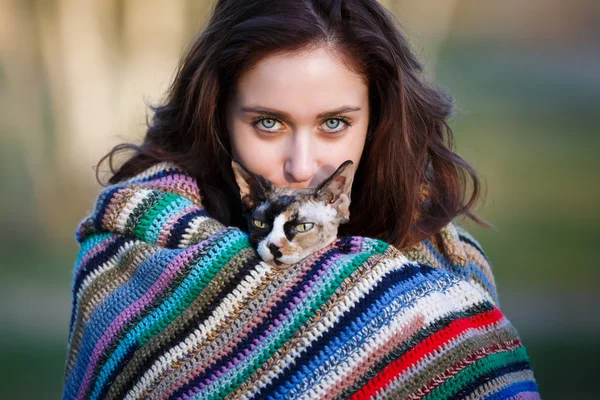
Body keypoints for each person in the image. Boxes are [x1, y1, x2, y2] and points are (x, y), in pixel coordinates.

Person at [61, 0, 540, 399]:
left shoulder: (442, 261)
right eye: (269, 123)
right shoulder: (135, 258)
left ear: (377, 120)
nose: (302, 165)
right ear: (218, 117)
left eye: (334, 123)